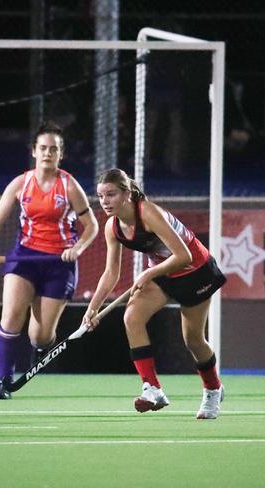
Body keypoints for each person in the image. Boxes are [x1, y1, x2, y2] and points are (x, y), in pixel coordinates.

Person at [82, 168, 227, 419]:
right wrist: (92, 308)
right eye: (101, 196)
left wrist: (148, 274)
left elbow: (184, 256)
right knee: (132, 318)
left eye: (111, 195)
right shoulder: (112, 228)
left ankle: (213, 389)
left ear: (127, 193)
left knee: (192, 339)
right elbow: (110, 273)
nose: (105, 202)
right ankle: (153, 388)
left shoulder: (148, 213)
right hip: (163, 272)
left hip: (195, 271)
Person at [0, 121, 99, 399]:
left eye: (53, 149)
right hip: (24, 259)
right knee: (11, 317)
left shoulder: (69, 186)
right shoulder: (20, 183)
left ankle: (39, 350)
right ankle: (3, 382)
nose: (47, 154)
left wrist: (77, 248)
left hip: (59, 265)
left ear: (60, 154)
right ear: (34, 151)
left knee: (40, 336)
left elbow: (92, 227)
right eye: (43, 148)